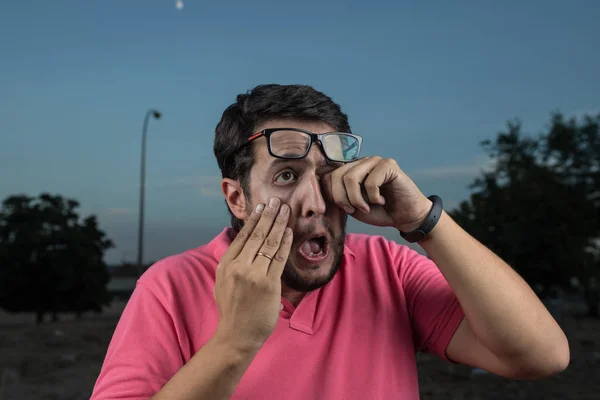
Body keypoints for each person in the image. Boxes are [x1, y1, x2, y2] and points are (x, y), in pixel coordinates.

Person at [90, 84, 569, 400]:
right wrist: (236, 342)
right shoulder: (170, 285)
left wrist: (422, 219)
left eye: (326, 174)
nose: (315, 202)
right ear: (237, 198)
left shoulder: (389, 269)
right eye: (285, 175)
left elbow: (541, 356)